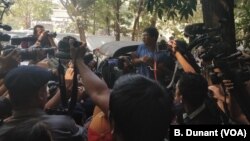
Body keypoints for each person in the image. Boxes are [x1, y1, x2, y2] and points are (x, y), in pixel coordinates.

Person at [70, 41, 173, 141]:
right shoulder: (157, 117)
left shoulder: (120, 116)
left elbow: (100, 92)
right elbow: (100, 92)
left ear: (114, 128)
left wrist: (78, 61)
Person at [0, 66, 84, 141]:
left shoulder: (3, 130)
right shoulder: (64, 125)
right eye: (46, 88)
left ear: (10, 96)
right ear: (40, 94)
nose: (48, 92)